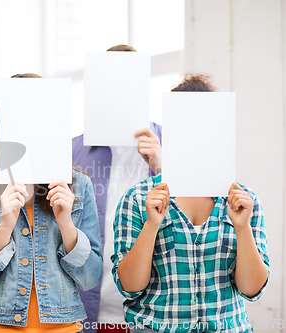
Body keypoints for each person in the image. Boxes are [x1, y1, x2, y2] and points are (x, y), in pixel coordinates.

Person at [111, 74, 269, 332]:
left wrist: (243, 228)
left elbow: (252, 290)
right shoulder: (138, 198)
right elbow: (130, 286)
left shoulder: (244, 202)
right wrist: (151, 226)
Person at [0, 73, 103, 332]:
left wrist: (66, 224)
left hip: (62, 326)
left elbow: (90, 278)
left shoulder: (79, 186)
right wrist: (4, 226)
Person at [73, 44, 162, 333]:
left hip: (154, 314)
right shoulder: (72, 151)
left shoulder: (170, 144)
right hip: (84, 313)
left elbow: (198, 222)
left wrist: (162, 168)